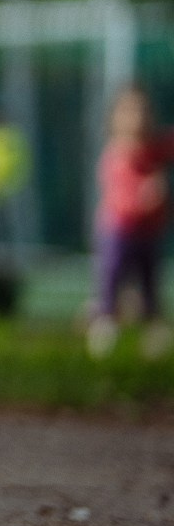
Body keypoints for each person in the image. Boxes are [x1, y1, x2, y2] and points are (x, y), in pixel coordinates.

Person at [88, 85, 173, 360]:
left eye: (141, 110)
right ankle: (105, 321)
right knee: (112, 277)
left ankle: (153, 326)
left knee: (149, 280)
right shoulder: (115, 155)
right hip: (118, 231)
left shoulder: (154, 149)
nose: (136, 117)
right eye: (128, 110)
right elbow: (119, 198)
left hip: (148, 232)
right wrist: (144, 195)